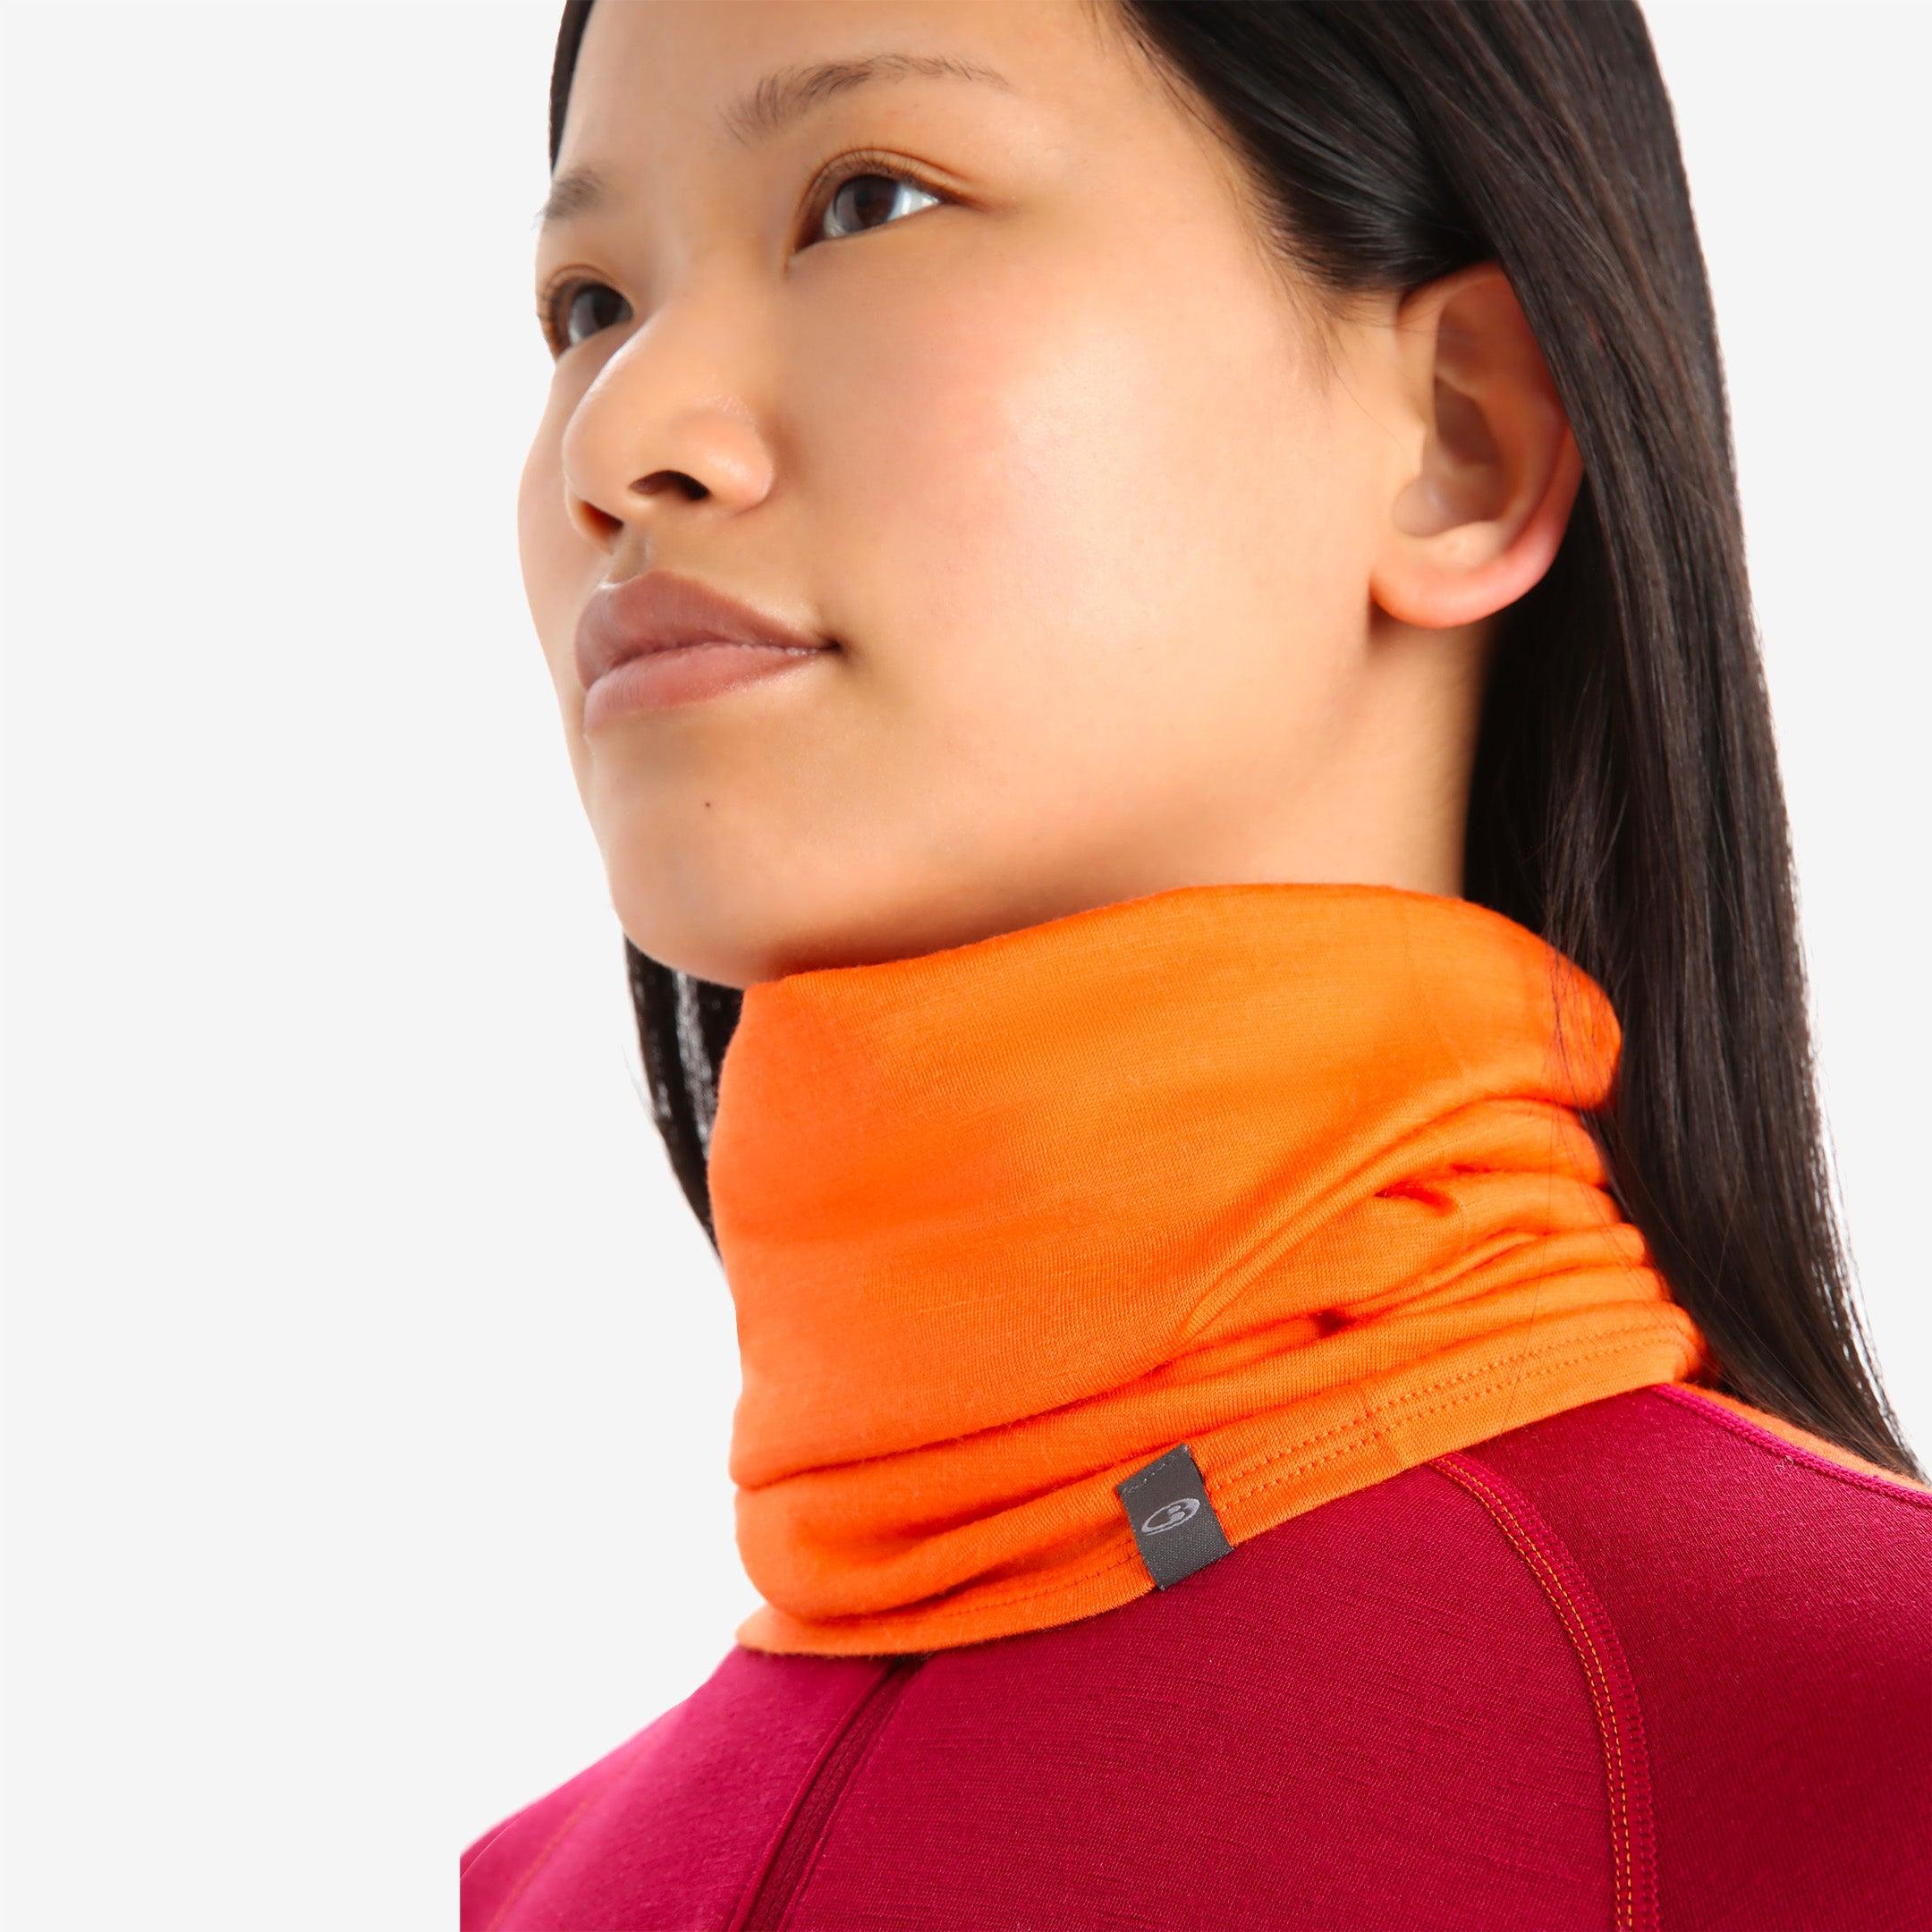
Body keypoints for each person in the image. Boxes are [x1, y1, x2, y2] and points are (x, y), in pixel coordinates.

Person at [464, 2, 1932, 1926]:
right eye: (586, 305)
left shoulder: (1864, 1755)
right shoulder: (522, 1889)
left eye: (868, 201)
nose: (618, 438)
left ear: (1459, 440)